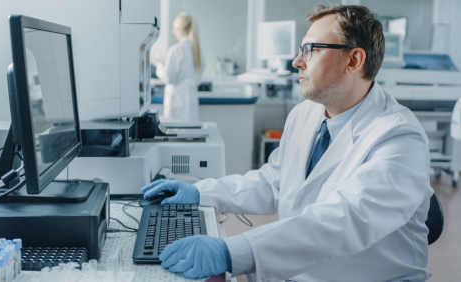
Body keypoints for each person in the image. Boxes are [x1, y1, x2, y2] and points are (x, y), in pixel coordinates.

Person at [142, 5, 433, 282]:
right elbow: (274, 181)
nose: (297, 62)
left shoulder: (399, 138)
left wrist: (233, 252)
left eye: (311, 50)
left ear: (354, 60)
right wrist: (200, 192)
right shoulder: (305, 114)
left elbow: (344, 221)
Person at [154, 12, 205, 122]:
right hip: (191, 101)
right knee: (191, 134)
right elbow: (198, 78)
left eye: (174, 30)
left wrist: (159, 66)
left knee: (177, 135)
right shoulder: (200, 51)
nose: (174, 33)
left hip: (176, 103)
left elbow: (168, 78)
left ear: (180, 29)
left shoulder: (176, 50)